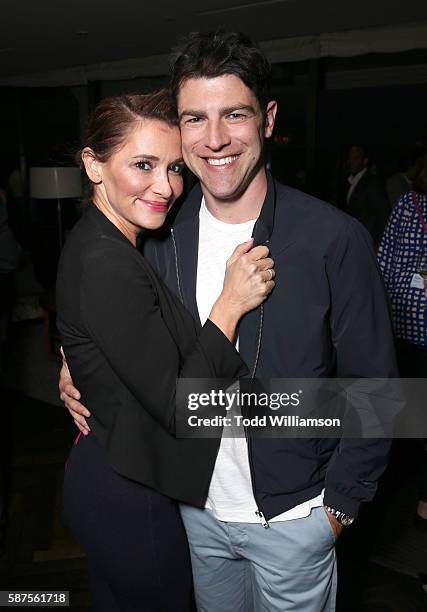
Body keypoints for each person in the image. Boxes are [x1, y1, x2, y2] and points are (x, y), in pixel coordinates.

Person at [60, 31, 398, 612]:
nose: (214, 140)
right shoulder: (159, 232)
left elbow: (378, 389)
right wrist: (76, 367)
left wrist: (337, 508)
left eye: (234, 115)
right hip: (195, 513)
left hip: (294, 519)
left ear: (266, 119)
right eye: (195, 118)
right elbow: (122, 329)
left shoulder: (331, 239)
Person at [56, 89, 275, 611]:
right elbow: (182, 408)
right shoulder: (107, 261)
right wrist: (230, 305)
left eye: (174, 167)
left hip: (113, 474)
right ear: (93, 164)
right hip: (129, 493)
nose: (166, 187)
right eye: (143, 165)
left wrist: (78, 363)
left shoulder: (106, 241)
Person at [377, 155, 427, 532]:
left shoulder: (405, 206)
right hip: (408, 327)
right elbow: (384, 261)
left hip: (403, 324)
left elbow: (383, 263)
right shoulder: (408, 205)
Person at [343, 144, 390, 248]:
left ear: (365, 161)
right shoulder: (349, 181)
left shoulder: (372, 184)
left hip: (367, 244)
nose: (351, 162)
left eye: (355, 158)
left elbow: (383, 215)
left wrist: (380, 246)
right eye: (350, 158)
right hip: (353, 241)